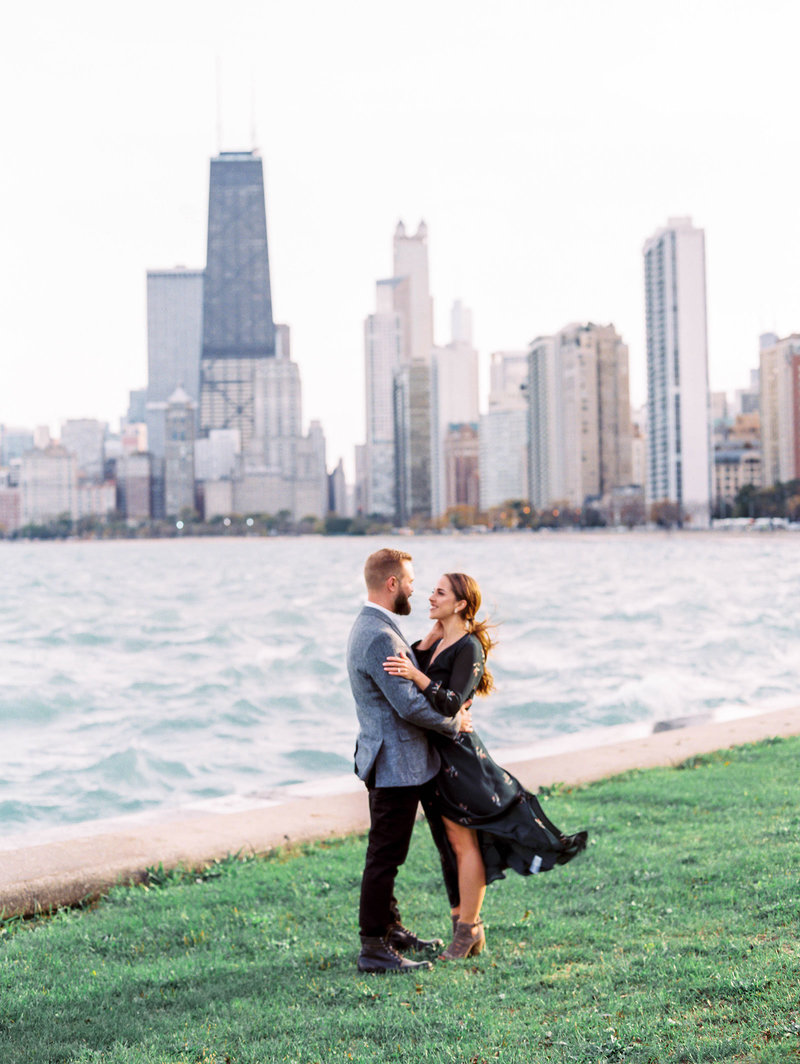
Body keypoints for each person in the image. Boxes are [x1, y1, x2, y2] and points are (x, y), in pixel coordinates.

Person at [384, 572, 588, 960]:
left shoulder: (469, 648)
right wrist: (427, 643)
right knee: (448, 844)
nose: (430, 596)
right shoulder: (438, 641)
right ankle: (462, 923)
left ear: (460, 604)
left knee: (463, 843)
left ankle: (468, 930)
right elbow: (423, 690)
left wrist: (416, 673)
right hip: (435, 758)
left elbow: (449, 702)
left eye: (439, 593)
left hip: (460, 758)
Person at [347, 548, 472, 974]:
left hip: (387, 757)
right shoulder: (380, 634)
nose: (416, 590)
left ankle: (391, 930)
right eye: (412, 582)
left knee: (387, 852)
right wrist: (457, 721)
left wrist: (430, 643)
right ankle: (373, 948)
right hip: (395, 763)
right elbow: (410, 707)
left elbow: (402, 681)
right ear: (392, 584)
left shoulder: (374, 626)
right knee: (385, 856)